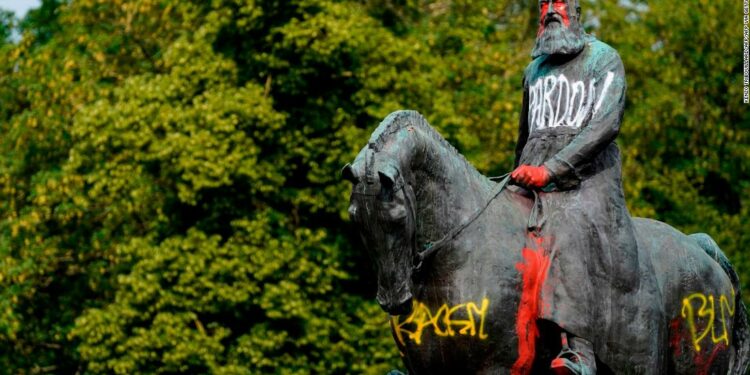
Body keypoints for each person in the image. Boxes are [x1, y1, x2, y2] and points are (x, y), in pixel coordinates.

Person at [510, 0, 647, 373]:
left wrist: (551, 170)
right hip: (537, 184)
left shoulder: (603, 59)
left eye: (558, 2)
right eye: (543, 3)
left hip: (588, 186)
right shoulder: (533, 70)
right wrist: (515, 176)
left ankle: (578, 349)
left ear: (575, 9)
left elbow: (605, 127)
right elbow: (525, 136)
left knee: (566, 227)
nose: (550, 10)